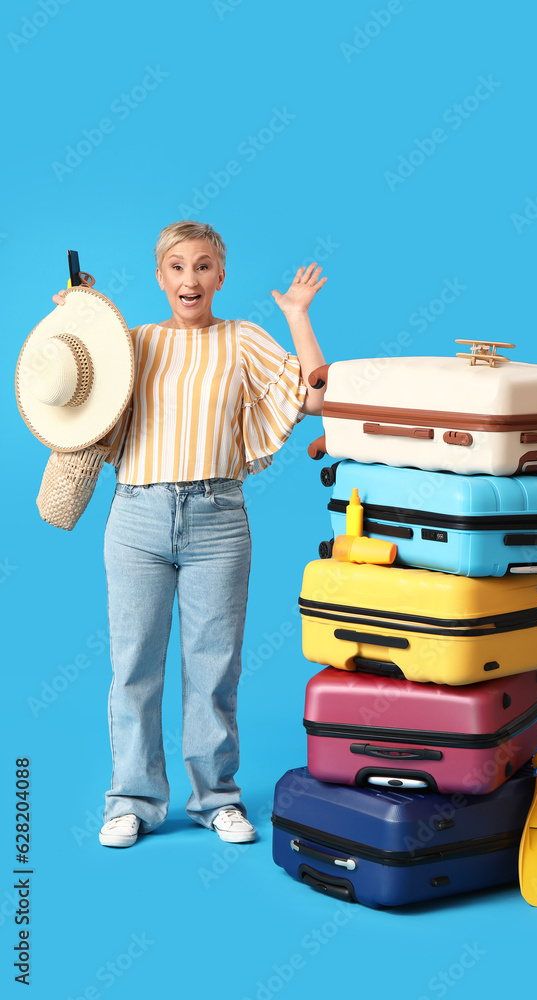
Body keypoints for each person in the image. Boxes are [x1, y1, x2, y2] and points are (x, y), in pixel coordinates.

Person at [53, 220, 327, 848]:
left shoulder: (243, 339)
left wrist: (297, 315)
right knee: (134, 667)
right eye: (177, 267)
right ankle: (132, 800)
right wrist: (79, 311)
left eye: (203, 266)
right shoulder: (135, 343)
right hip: (137, 517)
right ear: (160, 277)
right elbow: (76, 370)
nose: (190, 279)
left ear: (220, 277)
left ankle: (217, 800)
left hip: (218, 519)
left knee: (215, 669)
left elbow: (312, 398)